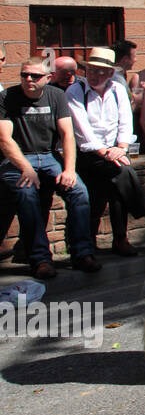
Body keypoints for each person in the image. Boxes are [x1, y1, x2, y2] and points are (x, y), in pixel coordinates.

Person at [0, 58, 99, 278]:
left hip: (49, 156)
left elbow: (67, 135)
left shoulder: (56, 96)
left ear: (47, 78)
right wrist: (25, 168)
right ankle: (40, 260)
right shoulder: (7, 98)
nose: (28, 80)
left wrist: (70, 170)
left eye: (34, 76)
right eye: (24, 75)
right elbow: (4, 139)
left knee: (79, 191)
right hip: (18, 159)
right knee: (27, 194)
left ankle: (82, 254)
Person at [67, 47, 145, 257]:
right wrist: (107, 153)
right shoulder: (75, 92)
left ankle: (115, 239)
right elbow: (83, 132)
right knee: (122, 172)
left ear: (110, 74)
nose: (95, 75)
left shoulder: (117, 89)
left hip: (114, 152)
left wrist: (121, 148)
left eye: (101, 71)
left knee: (118, 180)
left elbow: (126, 124)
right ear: (86, 71)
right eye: (92, 71)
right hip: (88, 153)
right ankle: (141, 224)